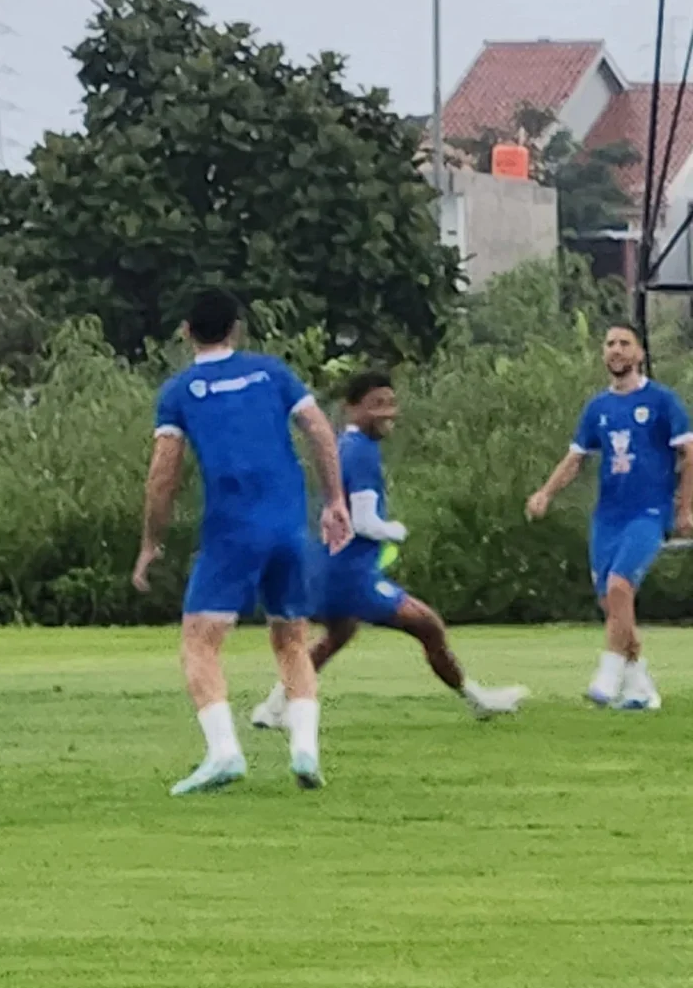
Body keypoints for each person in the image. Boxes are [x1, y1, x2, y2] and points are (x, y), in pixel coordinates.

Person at [133, 288, 351, 795]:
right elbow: (319, 430)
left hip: (232, 531)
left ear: (186, 331)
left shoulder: (180, 391)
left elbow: (163, 474)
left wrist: (151, 541)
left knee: (199, 642)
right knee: (292, 639)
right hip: (289, 528)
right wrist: (334, 499)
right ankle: (304, 750)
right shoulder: (273, 374)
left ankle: (224, 752)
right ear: (236, 329)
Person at [249, 370, 527, 727]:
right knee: (429, 626)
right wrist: (396, 530)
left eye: (391, 403)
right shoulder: (361, 452)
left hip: (328, 568)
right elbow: (364, 522)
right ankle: (477, 700)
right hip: (352, 575)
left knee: (336, 636)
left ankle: (272, 710)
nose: (387, 412)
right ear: (351, 409)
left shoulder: (342, 447)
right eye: (376, 404)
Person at [524, 323, 693, 710]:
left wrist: (684, 508)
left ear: (639, 354)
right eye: (610, 343)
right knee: (611, 603)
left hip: (648, 512)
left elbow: (689, 455)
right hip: (608, 516)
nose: (616, 350)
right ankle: (640, 688)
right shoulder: (598, 407)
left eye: (624, 343)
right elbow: (575, 459)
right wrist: (546, 492)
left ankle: (608, 674)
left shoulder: (662, 401)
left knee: (619, 587)